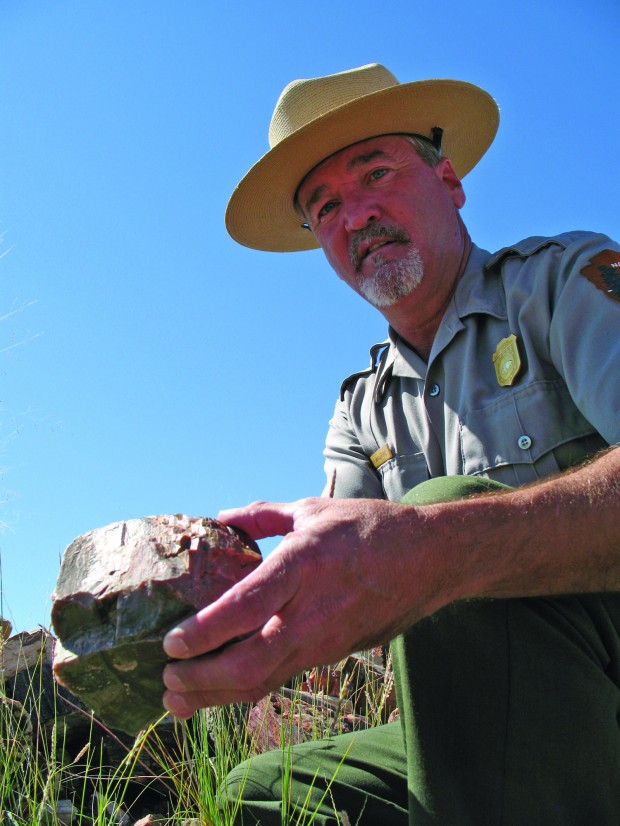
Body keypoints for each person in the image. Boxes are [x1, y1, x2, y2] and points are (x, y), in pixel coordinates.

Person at [161, 63, 620, 824]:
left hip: (596, 681)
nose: (357, 216)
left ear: (450, 182)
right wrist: (219, 618)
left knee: (438, 528)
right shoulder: (360, 409)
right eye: (326, 205)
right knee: (263, 793)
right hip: (492, 723)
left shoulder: (563, 283)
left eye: (377, 172)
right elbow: (345, 582)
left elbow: (412, 553)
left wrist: (441, 546)